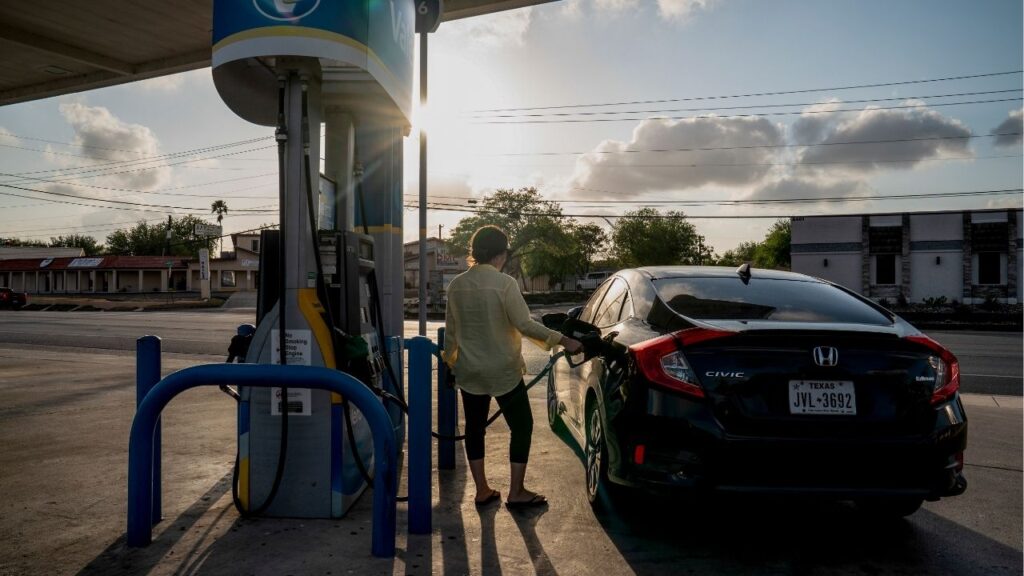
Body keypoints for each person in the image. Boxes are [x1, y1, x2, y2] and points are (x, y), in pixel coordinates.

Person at [442, 225, 583, 508]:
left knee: (474, 429)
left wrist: (450, 363)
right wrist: (563, 340)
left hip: (469, 371)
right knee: (522, 426)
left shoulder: (456, 285)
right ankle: (516, 491)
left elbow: (451, 332)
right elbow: (524, 324)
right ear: (501, 254)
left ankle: (482, 490)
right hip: (503, 370)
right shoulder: (505, 283)